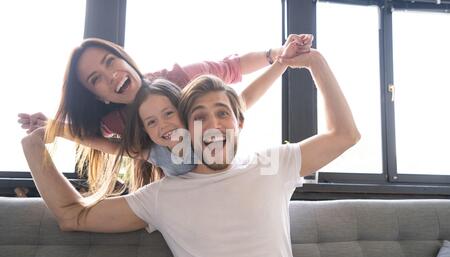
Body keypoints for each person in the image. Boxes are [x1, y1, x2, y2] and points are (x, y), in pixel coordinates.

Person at [21, 48, 361, 257]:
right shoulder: (161, 194)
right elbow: (72, 216)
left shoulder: (270, 166)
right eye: (200, 116)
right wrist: (37, 144)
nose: (212, 124)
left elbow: (344, 135)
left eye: (222, 114)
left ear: (239, 121)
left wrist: (310, 61)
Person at [18, 36, 313, 193]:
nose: (110, 76)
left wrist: (279, 57)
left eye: (111, 62)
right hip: (183, 189)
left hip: (224, 174)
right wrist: (54, 126)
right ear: (99, 97)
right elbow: (99, 141)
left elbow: (234, 75)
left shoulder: (180, 82)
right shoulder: (131, 136)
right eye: (96, 79)